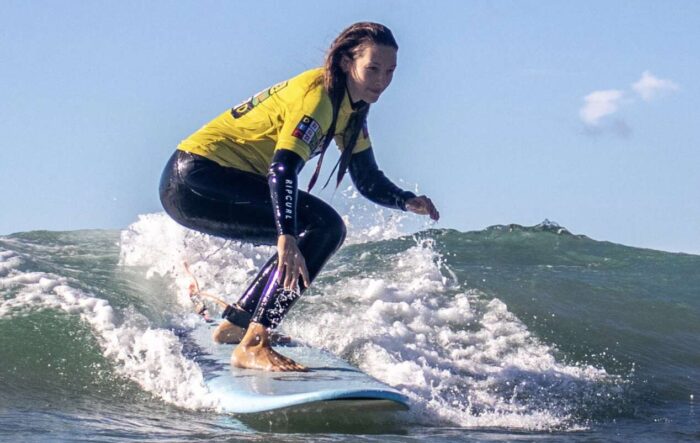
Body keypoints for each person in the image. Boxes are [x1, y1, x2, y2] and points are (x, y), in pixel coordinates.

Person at [159, 22, 439, 372]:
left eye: (390, 71)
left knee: (319, 228)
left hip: (202, 181)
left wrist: (404, 200)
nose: (382, 80)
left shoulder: (351, 107)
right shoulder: (319, 97)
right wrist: (286, 235)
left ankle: (238, 325)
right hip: (197, 179)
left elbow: (367, 178)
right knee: (323, 227)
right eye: (373, 69)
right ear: (346, 63)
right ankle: (254, 343)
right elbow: (283, 168)